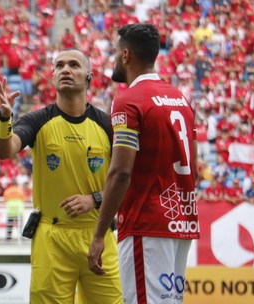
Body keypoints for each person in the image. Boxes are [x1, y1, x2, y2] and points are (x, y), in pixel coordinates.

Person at [0, 48, 122, 303]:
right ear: (52, 77)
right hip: (51, 237)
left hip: (98, 235)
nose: (65, 69)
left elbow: (129, 178)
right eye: (59, 65)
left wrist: (94, 199)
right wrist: (4, 117)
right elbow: (4, 150)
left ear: (89, 77)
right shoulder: (37, 120)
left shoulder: (109, 125)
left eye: (74, 65)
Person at [88, 24, 200, 304]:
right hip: (180, 222)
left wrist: (100, 233)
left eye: (115, 53)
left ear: (126, 55)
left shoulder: (128, 101)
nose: (113, 59)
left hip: (145, 224)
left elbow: (121, 172)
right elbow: (194, 167)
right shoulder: (180, 100)